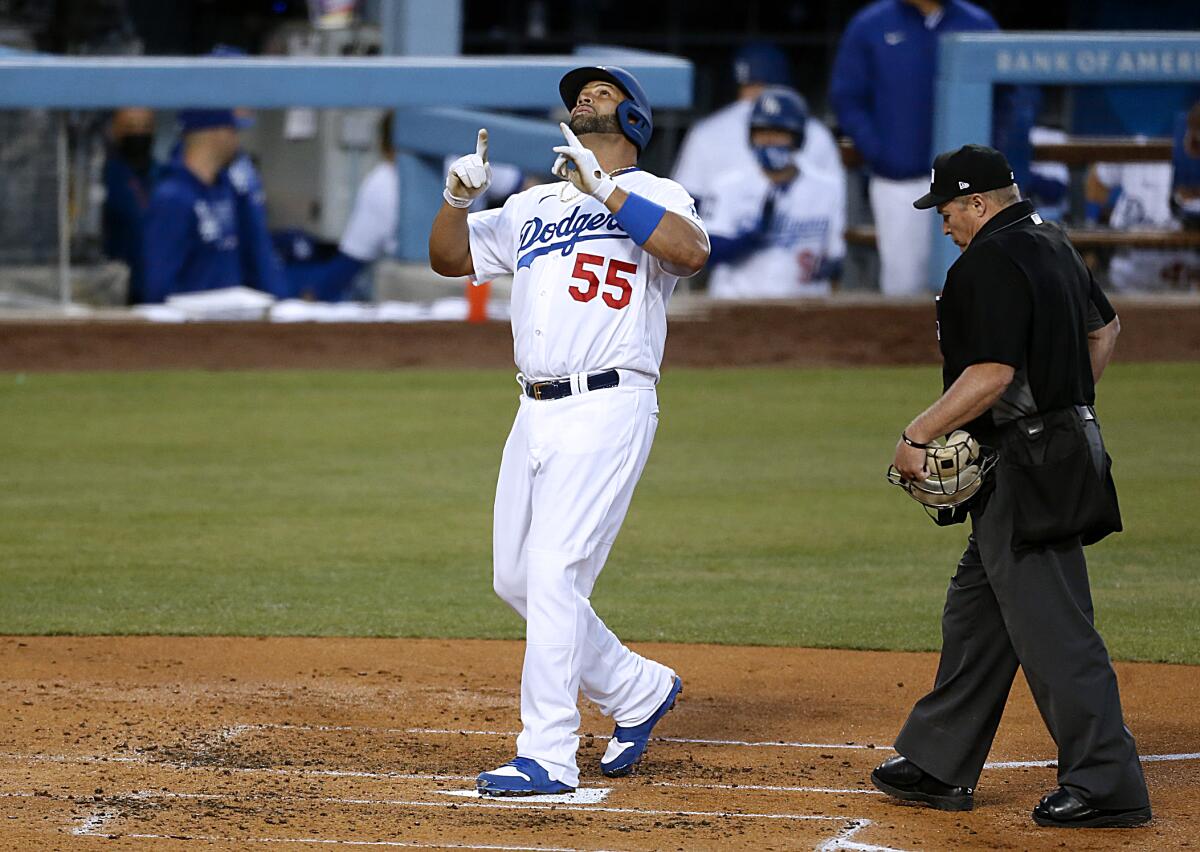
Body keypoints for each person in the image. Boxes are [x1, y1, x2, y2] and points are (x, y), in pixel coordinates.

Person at [428, 65, 708, 796]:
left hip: (609, 402)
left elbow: (689, 253)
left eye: (603, 93)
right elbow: (450, 258)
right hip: (532, 407)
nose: (585, 97)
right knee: (515, 577)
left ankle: (548, 753)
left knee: (554, 574)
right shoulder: (532, 204)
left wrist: (606, 189)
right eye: (580, 93)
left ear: (636, 122)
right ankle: (635, 688)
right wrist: (455, 200)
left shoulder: (654, 193)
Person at [872, 144, 1151, 829]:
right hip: (1056, 452)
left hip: (1026, 469)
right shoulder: (1053, 243)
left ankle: (1106, 783)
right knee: (978, 615)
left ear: (977, 202)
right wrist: (1064, 403)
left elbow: (991, 373)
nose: (942, 224)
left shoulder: (988, 264)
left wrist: (917, 435)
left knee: (1055, 629)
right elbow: (1105, 330)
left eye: (946, 210)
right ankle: (939, 761)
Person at [829, 0, 1001, 296]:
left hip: (969, 188)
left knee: (976, 285)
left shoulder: (978, 23)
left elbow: (1009, 95)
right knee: (904, 287)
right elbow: (847, 98)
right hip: (900, 184)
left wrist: (989, 156)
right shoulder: (871, 25)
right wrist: (880, 152)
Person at [672, 41, 842, 218]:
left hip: (718, 235)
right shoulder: (816, 132)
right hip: (800, 234)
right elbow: (835, 200)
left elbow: (686, 204)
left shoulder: (706, 131)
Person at [705, 86, 845, 298]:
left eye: (779, 133)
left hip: (803, 304)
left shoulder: (827, 188)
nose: (770, 140)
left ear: (797, 137)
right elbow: (707, 253)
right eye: (763, 132)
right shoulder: (727, 186)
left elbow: (835, 258)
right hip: (738, 304)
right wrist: (749, 239)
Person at [142, 109, 244, 303]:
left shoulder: (224, 190)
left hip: (227, 323)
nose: (236, 141)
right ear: (216, 133)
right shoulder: (173, 198)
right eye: (232, 131)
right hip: (191, 328)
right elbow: (159, 285)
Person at [102, 107, 161, 304]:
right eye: (130, 127)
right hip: (121, 286)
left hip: (160, 283)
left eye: (145, 127)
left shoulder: (164, 176)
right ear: (116, 131)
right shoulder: (106, 177)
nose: (138, 133)